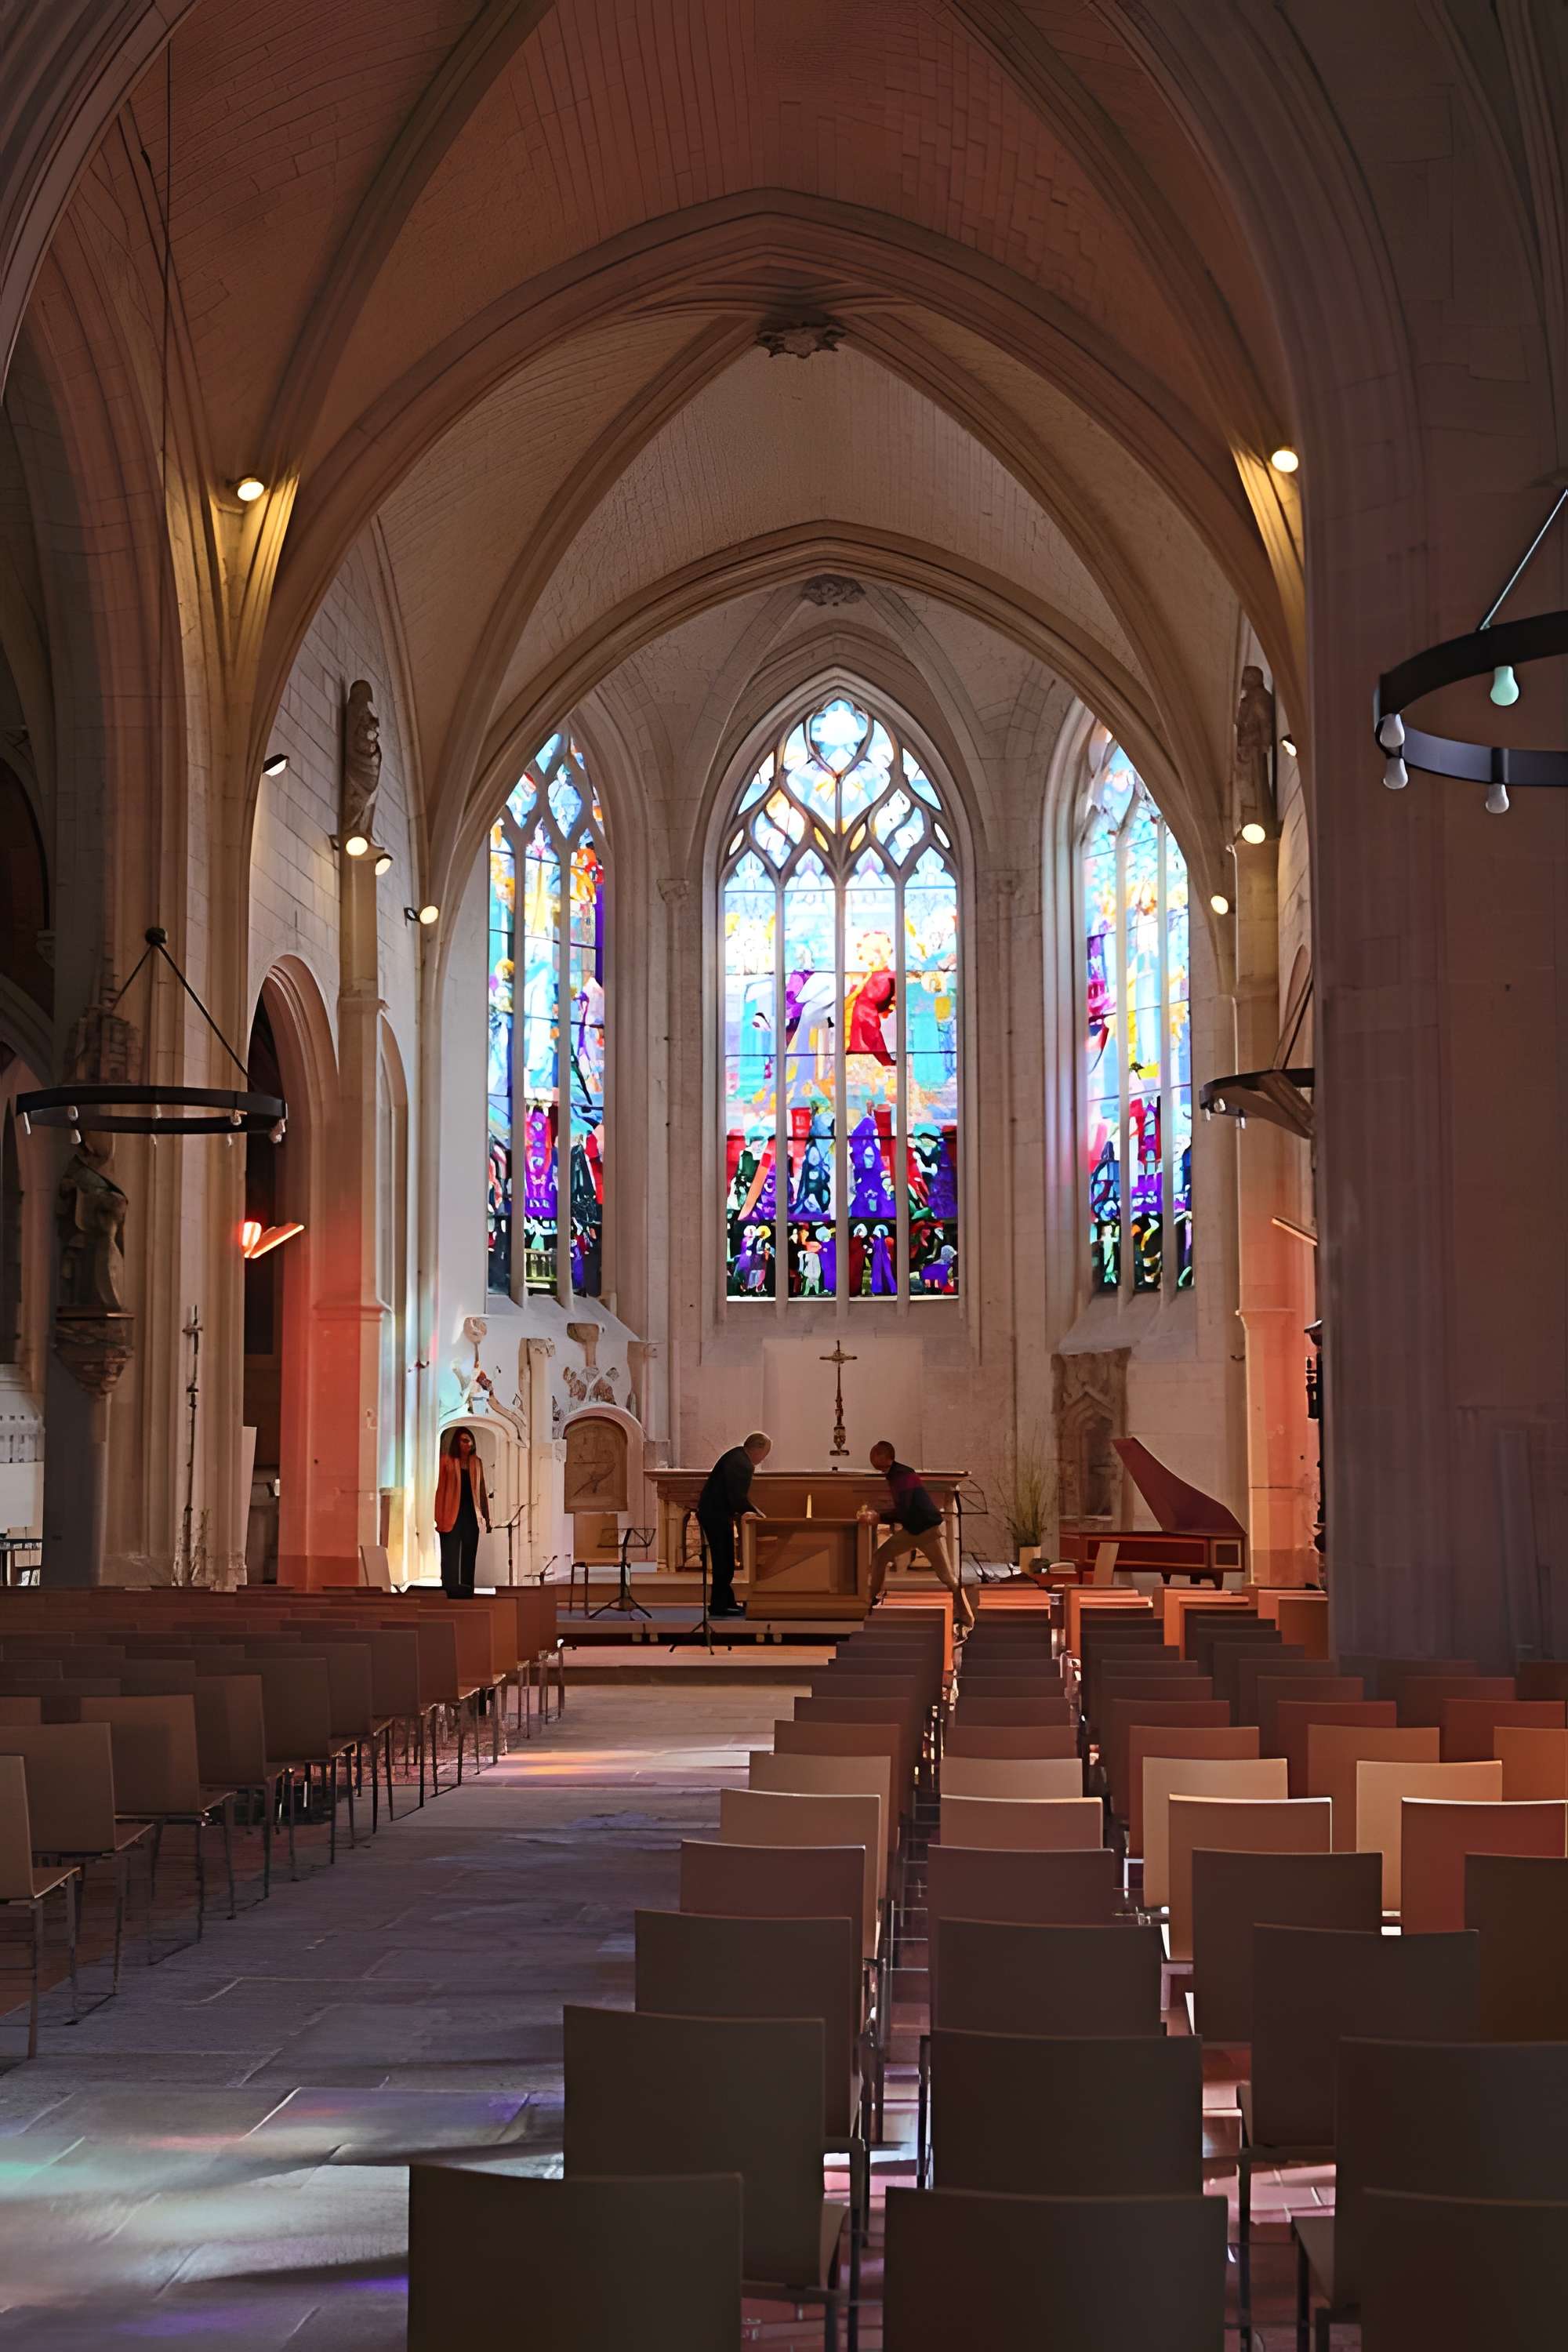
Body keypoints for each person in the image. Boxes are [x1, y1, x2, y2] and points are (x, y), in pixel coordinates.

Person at [866, 1439, 974, 1628]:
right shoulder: (895, 1474)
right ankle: (870, 1601)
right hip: (914, 1529)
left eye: (874, 1454)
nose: (871, 1457)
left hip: (926, 1529)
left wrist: (879, 1517)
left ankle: (966, 1616)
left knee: (947, 1577)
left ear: (885, 1457)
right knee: (880, 1557)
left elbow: (905, 1509)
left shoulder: (903, 1475)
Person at [697, 1430, 771, 1619]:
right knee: (724, 1561)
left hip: (716, 1513)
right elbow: (737, 1497)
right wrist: (757, 1513)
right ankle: (719, 1606)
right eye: (765, 1454)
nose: (763, 1459)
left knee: (726, 1561)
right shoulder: (742, 1464)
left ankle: (726, 1602)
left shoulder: (737, 1455)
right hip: (716, 1515)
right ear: (757, 1449)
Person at [434, 1427, 491, 1598]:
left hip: (471, 1516)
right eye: (465, 1440)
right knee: (450, 1555)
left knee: (469, 1555)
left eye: (470, 1440)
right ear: (456, 1443)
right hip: (450, 1514)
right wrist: (436, 1516)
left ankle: (467, 1590)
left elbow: (482, 1492)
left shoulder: (477, 1462)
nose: (469, 1444)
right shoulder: (446, 1461)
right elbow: (439, 1490)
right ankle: (449, 1590)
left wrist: (487, 1519)